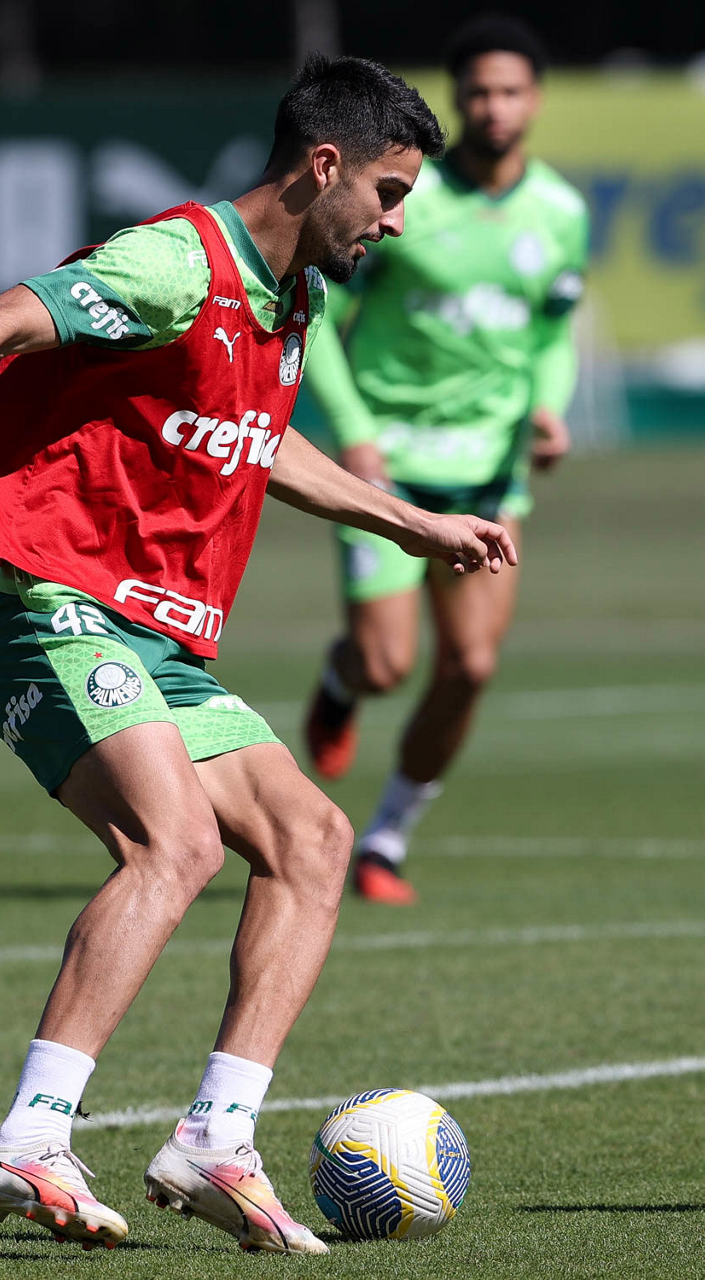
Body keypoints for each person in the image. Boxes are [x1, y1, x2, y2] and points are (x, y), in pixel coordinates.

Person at [0, 53, 515, 1256]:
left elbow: (260, 441)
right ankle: (30, 1133)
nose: (396, 222)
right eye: (389, 193)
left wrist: (408, 520)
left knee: (312, 840)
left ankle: (215, 1139)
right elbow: (3, 315)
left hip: (157, 642)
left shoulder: (288, 296)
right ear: (325, 166)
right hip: (53, 609)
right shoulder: (175, 263)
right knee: (176, 841)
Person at [303, 16, 587, 906]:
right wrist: (353, 427)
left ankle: (385, 840)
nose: (494, 107)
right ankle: (341, 678)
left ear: (534, 100)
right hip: (389, 463)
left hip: (490, 472)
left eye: (510, 91)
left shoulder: (560, 212)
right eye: (479, 92)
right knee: (386, 664)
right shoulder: (402, 199)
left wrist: (547, 406)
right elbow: (317, 319)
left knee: (469, 667)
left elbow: (552, 332)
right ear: (458, 99)